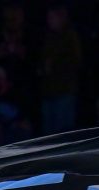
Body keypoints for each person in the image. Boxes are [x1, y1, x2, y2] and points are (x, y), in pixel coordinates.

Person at [38, 4, 82, 134]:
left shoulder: (70, 37)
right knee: (48, 131)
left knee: (62, 131)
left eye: (52, 17)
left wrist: (55, 65)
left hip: (64, 90)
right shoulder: (48, 37)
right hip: (48, 91)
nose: (49, 21)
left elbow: (76, 61)